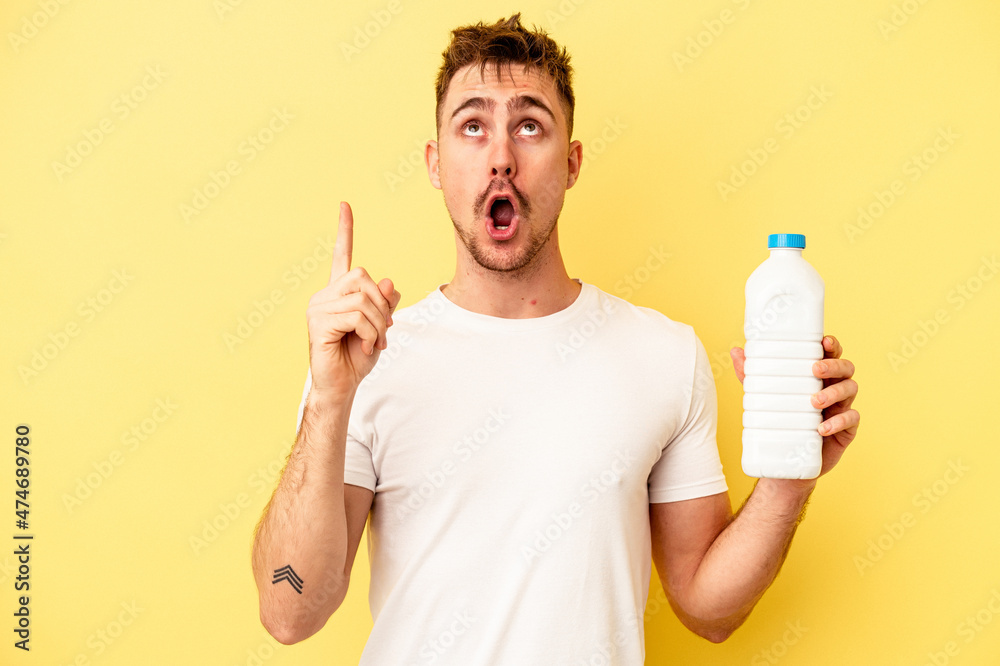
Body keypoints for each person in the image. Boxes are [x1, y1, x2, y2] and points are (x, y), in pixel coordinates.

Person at [250, 12, 860, 663]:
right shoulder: (364, 363)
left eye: (529, 125)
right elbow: (290, 611)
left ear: (570, 164)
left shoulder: (663, 356)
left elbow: (707, 610)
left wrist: (789, 477)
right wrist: (328, 400)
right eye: (473, 126)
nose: (501, 158)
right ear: (435, 164)